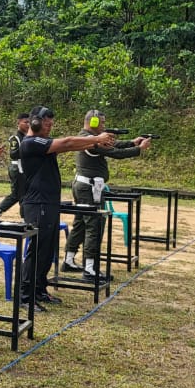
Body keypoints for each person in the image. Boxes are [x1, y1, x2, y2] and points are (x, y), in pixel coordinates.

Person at [17, 106, 114, 311]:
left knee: (48, 251)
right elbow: (68, 142)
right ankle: (25, 296)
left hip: (49, 202)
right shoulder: (30, 143)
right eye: (46, 124)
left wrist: (95, 141)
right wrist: (95, 139)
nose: (49, 128)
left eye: (51, 125)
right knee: (37, 251)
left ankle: (40, 290)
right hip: (38, 204)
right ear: (34, 122)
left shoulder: (40, 142)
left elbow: (70, 146)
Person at [60, 111, 150, 281]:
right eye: (101, 122)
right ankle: (90, 269)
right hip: (90, 188)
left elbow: (112, 146)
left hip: (84, 186)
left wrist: (132, 142)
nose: (104, 126)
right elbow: (114, 153)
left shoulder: (86, 137)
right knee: (95, 225)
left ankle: (69, 260)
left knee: (80, 223)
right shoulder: (90, 140)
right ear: (92, 122)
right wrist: (139, 149)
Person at [0, 113, 30, 218]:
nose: (28, 124)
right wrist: (27, 147)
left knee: (22, 194)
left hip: (24, 169)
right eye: (25, 122)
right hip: (17, 168)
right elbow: (13, 154)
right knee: (20, 195)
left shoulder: (27, 137)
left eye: (29, 122)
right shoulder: (16, 138)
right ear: (18, 123)